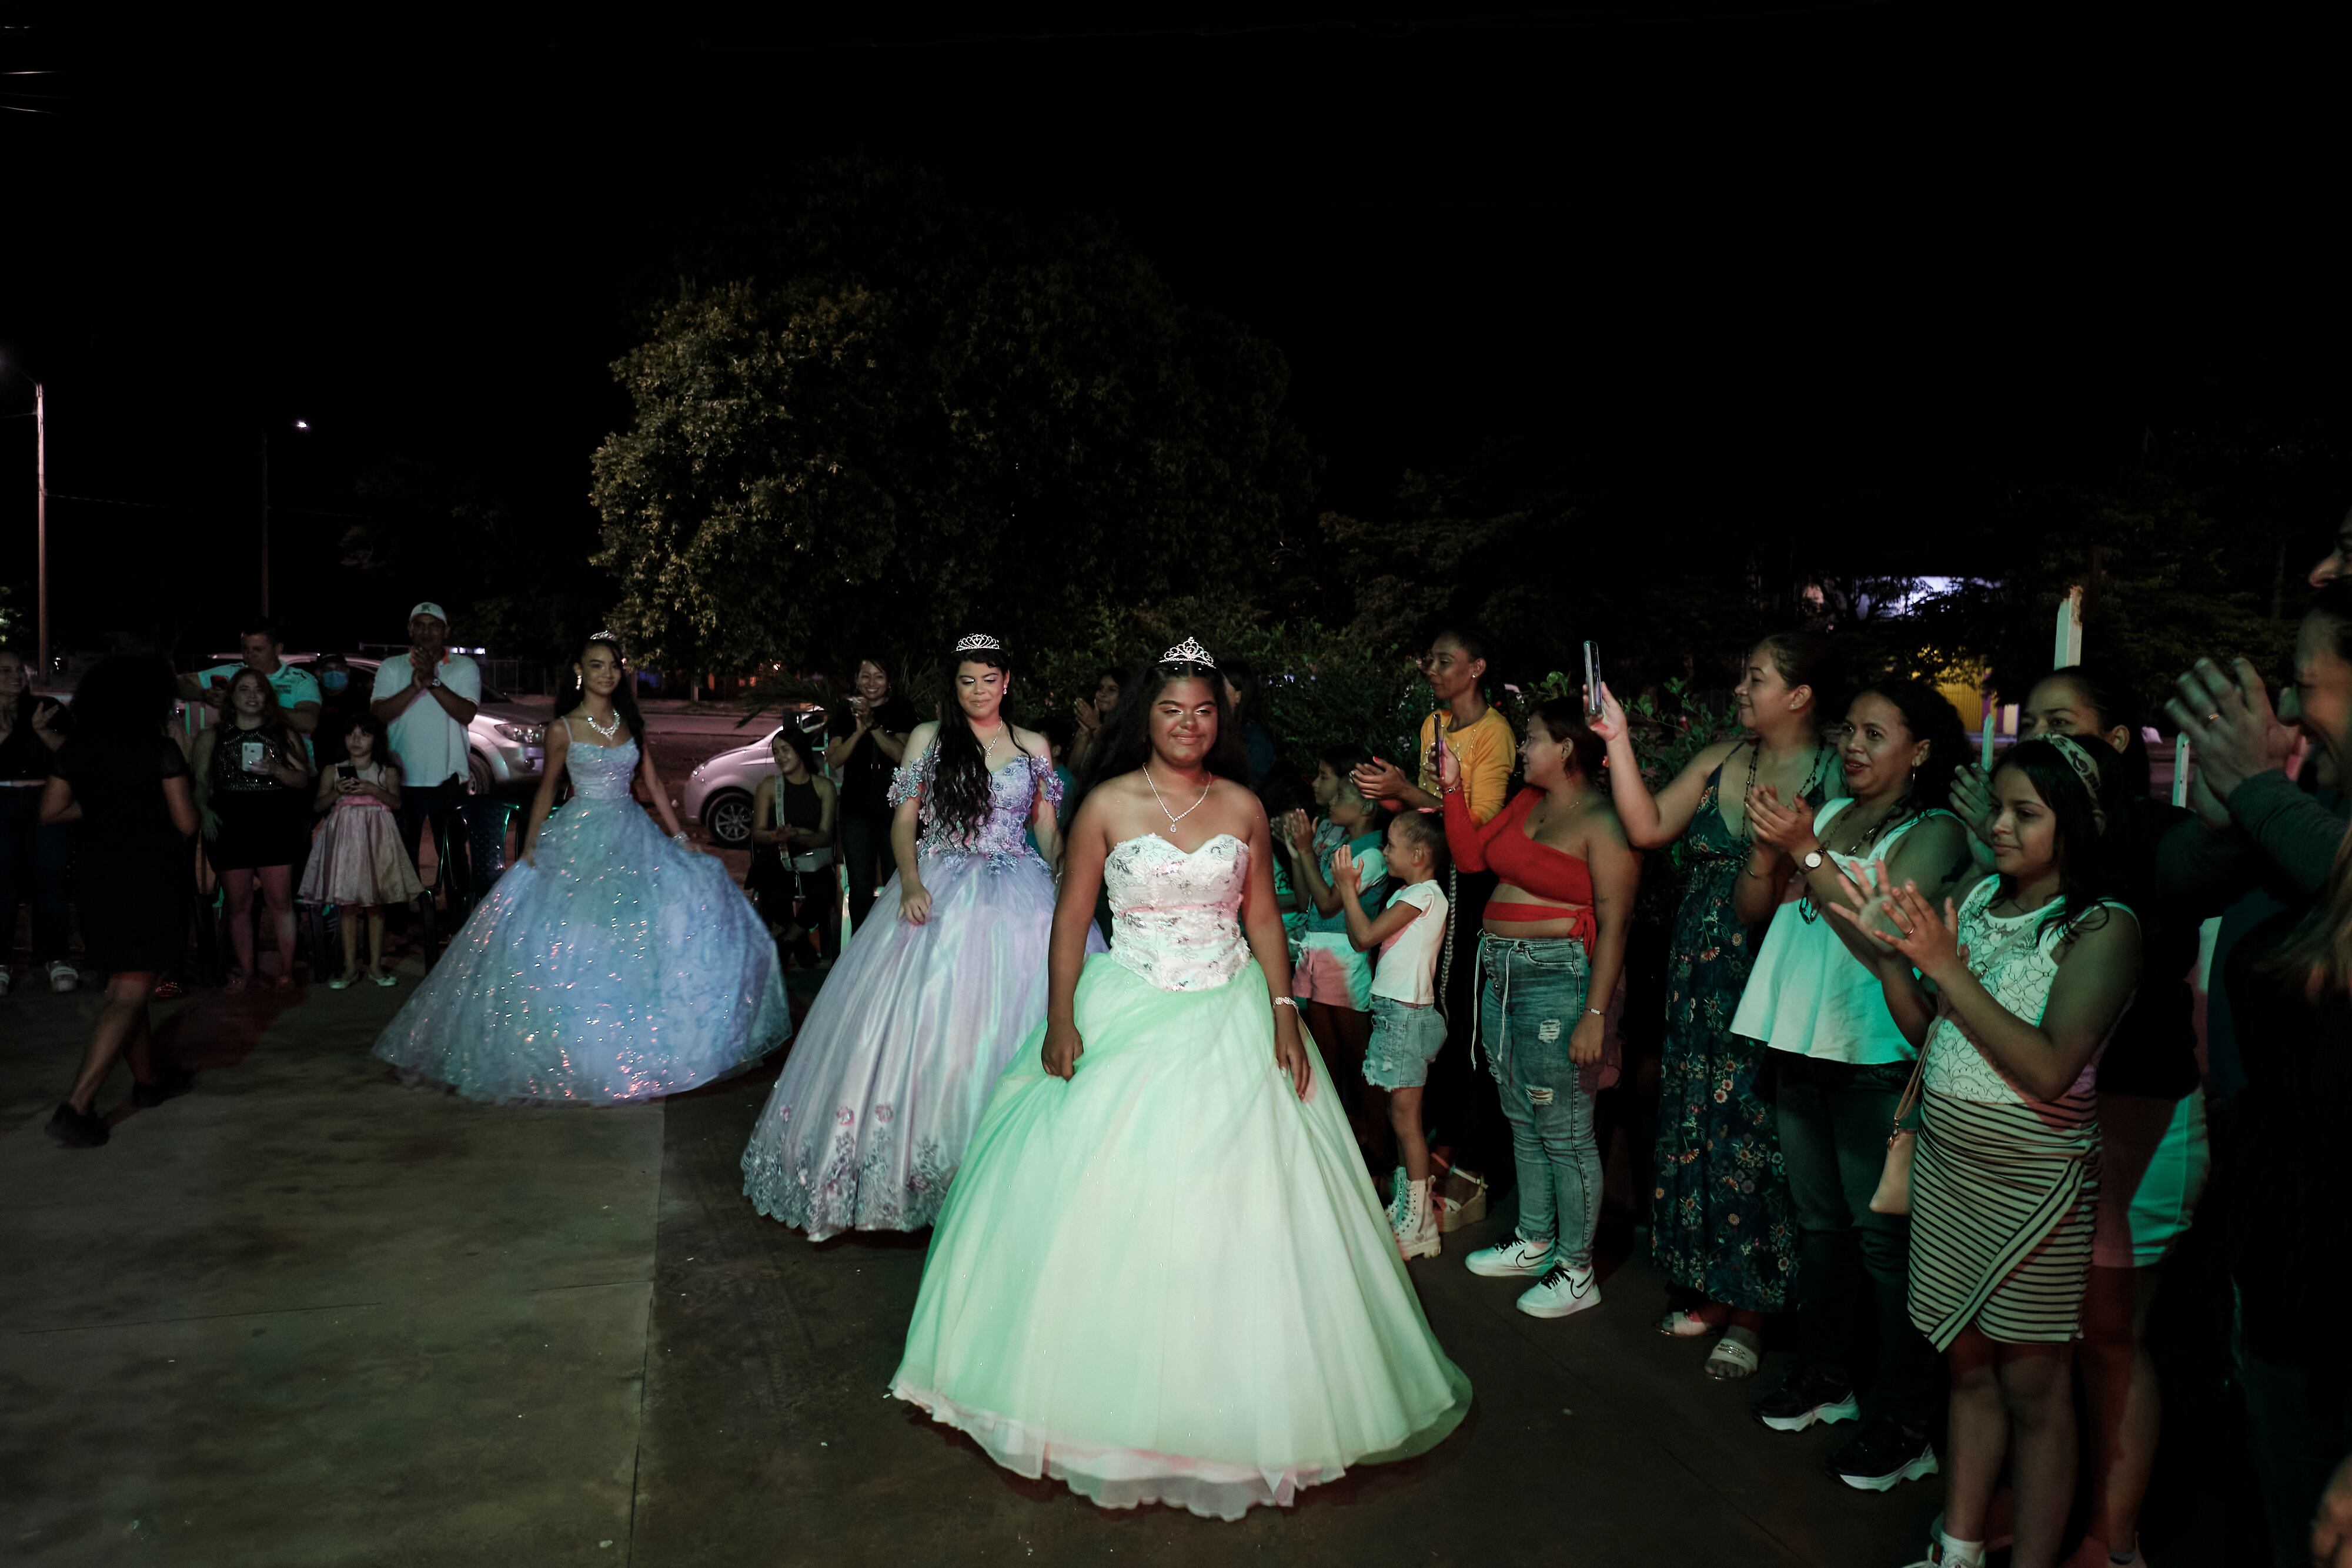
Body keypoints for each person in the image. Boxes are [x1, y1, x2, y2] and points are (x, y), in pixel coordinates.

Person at [890, 636, 1472, 1519]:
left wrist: (1282, 1010)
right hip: (1130, 999)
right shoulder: (1105, 805)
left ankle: (1244, 1395)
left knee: (1245, 1201)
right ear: (1145, 718)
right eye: (1172, 709)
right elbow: (1072, 915)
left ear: (1219, 720)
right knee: (1103, 1193)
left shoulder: (1241, 803)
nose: (1190, 724)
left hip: (1232, 1005)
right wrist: (1060, 1015)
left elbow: (1265, 916)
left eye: (1204, 710)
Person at [1832, 736, 2143, 1568]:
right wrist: (1893, 958)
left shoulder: (2105, 927)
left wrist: (1942, 963)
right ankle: (1960, 1546)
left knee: (2035, 1388)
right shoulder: (1977, 900)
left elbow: (2048, 1067)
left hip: (2032, 1184)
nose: (1996, 824)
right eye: (1998, 805)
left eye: (2024, 813)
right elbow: (1934, 1030)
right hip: (1949, 1167)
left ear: (2080, 822)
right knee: (1967, 1368)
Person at [1950, 666, 2200, 1568]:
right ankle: (2011, 1515)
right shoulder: (2014, 869)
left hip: (2128, 1107)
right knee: (2019, 1348)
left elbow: (2058, 1043)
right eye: (2036, 722)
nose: (2048, 735)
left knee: (2105, 1335)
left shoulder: (2158, 848)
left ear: (2120, 743)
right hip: (2021, 1127)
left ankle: (2111, 1533)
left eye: (2068, 724)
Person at [742, 634, 1084, 1239]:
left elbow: (1047, 830)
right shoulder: (929, 738)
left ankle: (1019, 1178)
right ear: (954, 687)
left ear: (1007, 682)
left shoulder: (1032, 747)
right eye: (966, 681)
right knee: (925, 1025)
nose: (978, 691)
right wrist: (909, 881)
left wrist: (1066, 878)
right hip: (942, 882)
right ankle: (913, 1179)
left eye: (989, 679)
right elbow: (904, 822)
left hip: (1020, 895)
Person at [373, 632, 789, 1103]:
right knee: (576, 934)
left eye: (613, 664)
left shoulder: (630, 719)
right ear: (581, 672)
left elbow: (649, 778)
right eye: (596, 665)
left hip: (632, 830)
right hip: (581, 830)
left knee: (667, 913)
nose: (607, 673)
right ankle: (581, 1050)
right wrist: (528, 846)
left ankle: (657, 1042)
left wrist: (678, 835)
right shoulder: (563, 728)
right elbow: (548, 788)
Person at [1736, 680, 1972, 1492]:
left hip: (1873, 1051)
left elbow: (1883, 926)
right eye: (1851, 730)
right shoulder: (1831, 819)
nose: (1855, 745)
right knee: (1819, 1226)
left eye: (1877, 732)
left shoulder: (1936, 830)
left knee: (1884, 1241)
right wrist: (1774, 853)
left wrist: (1806, 854)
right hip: (1801, 1038)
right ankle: (1830, 1377)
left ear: (1923, 750)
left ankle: (1906, 1416)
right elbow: (1763, 907)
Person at [2159, 588, 2352, 1567]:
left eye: (2305, 676)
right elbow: (2178, 877)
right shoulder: (2312, 803)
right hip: (2273, 1199)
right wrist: (2236, 806)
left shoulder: (2314, 820)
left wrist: (2259, 790)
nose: (2288, 694)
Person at [1593, 632, 1840, 1378]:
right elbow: (1646, 826)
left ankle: (1757, 1310)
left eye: (1755, 677)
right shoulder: (1723, 757)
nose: (1740, 688)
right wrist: (1618, 739)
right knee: (1696, 1125)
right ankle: (1710, 1285)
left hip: (1776, 975)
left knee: (1756, 1137)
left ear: (1798, 695)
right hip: (1697, 981)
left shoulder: (1834, 774)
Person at [1435, 697, 1638, 1319]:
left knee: (1566, 1127)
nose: (1522, 749)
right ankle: (1533, 1239)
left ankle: (1577, 1271)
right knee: (1521, 1113)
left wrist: (1596, 1016)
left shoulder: (1604, 821)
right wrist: (1452, 789)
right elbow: (1470, 858)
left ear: (1567, 749)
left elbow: (1616, 921)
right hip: (1499, 972)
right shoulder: (1528, 802)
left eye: (1531, 739)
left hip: (1560, 979)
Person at [1354, 625, 1518, 1231]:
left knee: (1452, 1007)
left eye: (1444, 662)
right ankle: (1425, 1154)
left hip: (1466, 884)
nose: (1432, 671)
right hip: (1426, 873)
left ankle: (1460, 1158)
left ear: (1475, 668)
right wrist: (1393, 793)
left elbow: (1477, 825)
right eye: (1429, 662)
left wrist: (1407, 791)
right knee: (1415, 993)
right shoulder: (1433, 726)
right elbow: (1429, 811)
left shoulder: (1495, 734)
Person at [39, 656, 198, 1146]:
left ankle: (148, 1082)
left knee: (131, 981)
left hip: (97, 876)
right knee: (129, 991)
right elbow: (187, 823)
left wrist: (108, 805)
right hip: (147, 875)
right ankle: (77, 1105)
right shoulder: (161, 749)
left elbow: (52, 810)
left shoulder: (78, 750)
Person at [1332, 807, 1452, 1258]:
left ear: (1419, 854)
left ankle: (1420, 1224)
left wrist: (1346, 889)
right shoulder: (1414, 893)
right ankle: (1408, 1208)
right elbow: (1361, 936)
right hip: (1394, 1012)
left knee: (1407, 1120)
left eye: (1391, 845)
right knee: (1399, 1117)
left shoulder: (1423, 894)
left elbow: (1362, 937)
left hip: (1405, 1014)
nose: (1384, 852)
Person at [1279, 753, 1390, 1121]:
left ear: (1366, 806)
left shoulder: (1372, 853)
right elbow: (1306, 899)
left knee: (1357, 1055)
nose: (1334, 803)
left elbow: (1328, 905)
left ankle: (1376, 1143)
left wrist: (1308, 851)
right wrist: (1299, 855)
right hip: (1316, 952)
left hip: (1343, 957)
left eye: (1342, 798)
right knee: (1325, 1052)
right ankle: (1337, 1132)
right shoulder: (1341, 846)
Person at [192, 667, 315, 993]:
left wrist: (275, 769)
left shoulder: (283, 735)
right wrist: (203, 811)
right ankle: (247, 972)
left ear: (268, 696)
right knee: (238, 903)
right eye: (243, 689)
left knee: (280, 900)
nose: (251, 695)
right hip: (230, 823)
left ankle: (286, 972)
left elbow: (302, 779)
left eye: (258, 689)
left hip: (273, 821)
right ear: (231, 697)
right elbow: (201, 781)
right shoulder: (211, 736)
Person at [369, 602, 480, 916]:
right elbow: (378, 715)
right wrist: (414, 684)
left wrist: (432, 681)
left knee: (455, 856)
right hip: (400, 779)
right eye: (419, 624)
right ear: (409, 629)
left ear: (446, 631)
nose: (426, 631)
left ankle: (459, 924)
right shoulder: (392, 667)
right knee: (400, 859)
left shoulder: (464, 667)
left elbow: (466, 713)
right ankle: (400, 928)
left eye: (434, 625)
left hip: (449, 779)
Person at [298, 710, 423, 989]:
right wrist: (338, 792)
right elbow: (318, 806)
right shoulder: (333, 769)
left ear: (375, 739)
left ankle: (376, 964)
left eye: (364, 734)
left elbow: (397, 803)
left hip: (377, 837)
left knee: (375, 903)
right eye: (351, 733)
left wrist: (371, 789)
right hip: (345, 838)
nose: (356, 739)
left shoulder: (385, 770)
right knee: (348, 905)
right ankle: (350, 966)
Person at [1, 645, 74, 996]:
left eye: (19, 670)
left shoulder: (47, 709)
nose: (16, 678)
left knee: (51, 879)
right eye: (5, 671)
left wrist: (43, 733)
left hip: (45, 800)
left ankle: (54, 957)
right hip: (2, 801)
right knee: (3, 883)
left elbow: (76, 756)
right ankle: (3, 962)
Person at [826, 657, 916, 931]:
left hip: (894, 809)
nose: (872, 683)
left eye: (878, 676)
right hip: (857, 809)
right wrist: (859, 730)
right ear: (857, 679)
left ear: (888, 679)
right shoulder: (843, 714)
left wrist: (874, 726)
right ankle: (859, 945)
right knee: (860, 884)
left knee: (895, 880)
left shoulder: (901, 710)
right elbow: (835, 759)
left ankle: (895, 944)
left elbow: (902, 755)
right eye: (866, 676)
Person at [747, 725, 838, 969]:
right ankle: (800, 945)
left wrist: (799, 836)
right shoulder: (769, 786)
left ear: (801, 751)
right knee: (771, 888)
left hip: (811, 857)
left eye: (786, 750)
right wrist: (778, 836)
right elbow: (757, 835)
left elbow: (826, 837)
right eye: (776, 752)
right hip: (776, 857)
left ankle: (786, 940)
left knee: (825, 891)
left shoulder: (823, 787)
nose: (780, 757)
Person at [180, 615, 323, 748]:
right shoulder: (232, 673)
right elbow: (177, 684)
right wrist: (203, 695)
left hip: (291, 760)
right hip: (239, 757)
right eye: (245, 648)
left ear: (278, 649)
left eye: (258, 649)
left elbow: (309, 722)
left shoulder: (301, 680)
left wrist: (256, 707)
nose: (249, 655)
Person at [1222, 657, 1278, 789]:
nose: (1212, 693)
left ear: (1238, 696)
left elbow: (1254, 787)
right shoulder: (1221, 730)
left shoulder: (1254, 740)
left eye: (1220, 687)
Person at [1065, 666, 1121, 776]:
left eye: (1112, 690)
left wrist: (1095, 726)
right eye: (1100, 688)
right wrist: (1084, 734)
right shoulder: (1090, 722)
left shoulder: (1130, 727)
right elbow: (1071, 771)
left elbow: (1116, 762)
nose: (1103, 694)